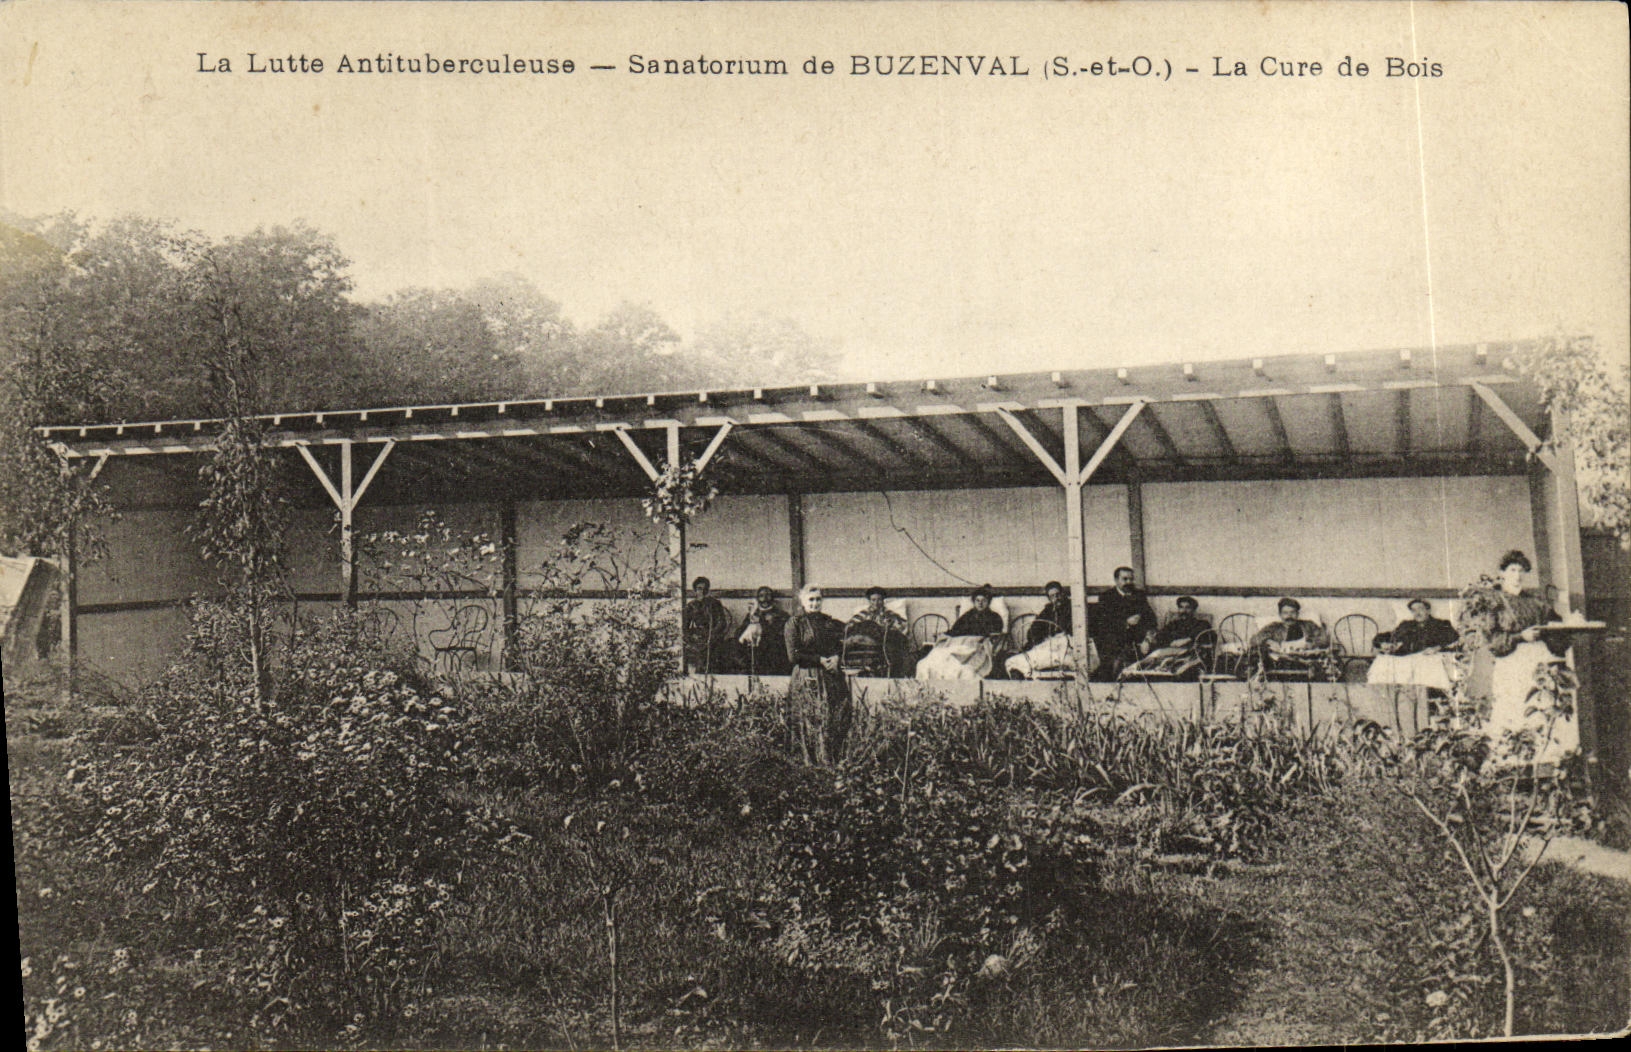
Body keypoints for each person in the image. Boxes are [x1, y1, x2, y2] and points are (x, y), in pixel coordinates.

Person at [1458, 550, 1573, 762]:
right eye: (1512, 570)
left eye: (1521, 571)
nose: (1517, 575)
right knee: (1514, 706)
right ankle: (1512, 762)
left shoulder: (1537, 602)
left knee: (1540, 705)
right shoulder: (1493, 602)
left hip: (1538, 661)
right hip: (1512, 662)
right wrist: (1521, 636)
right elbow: (1493, 640)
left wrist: (1563, 627)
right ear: (1502, 573)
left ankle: (1544, 759)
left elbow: (1557, 627)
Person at [784, 585, 852, 763]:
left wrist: (837, 658)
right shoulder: (795, 623)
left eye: (818, 599)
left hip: (830, 677)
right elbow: (793, 656)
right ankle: (807, 763)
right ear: (803, 602)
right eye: (811, 600)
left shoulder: (829, 622)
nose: (815, 603)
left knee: (830, 718)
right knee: (809, 719)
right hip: (807, 676)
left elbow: (840, 645)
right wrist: (819, 660)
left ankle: (830, 761)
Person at [1089, 566, 1157, 680]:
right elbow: (1103, 624)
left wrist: (1147, 639)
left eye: (1131, 579)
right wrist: (1126, 622)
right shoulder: (1106, 597)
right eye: (1125, 579)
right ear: (1116, 580)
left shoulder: (1139, 595)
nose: (1129, 582)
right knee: (1114, 666)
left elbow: (1151, 620)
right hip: (1113, 643)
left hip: (1138, 643)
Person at [1120, 596, 1211, 680]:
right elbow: (1161, 636)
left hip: (1190, 653)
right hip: (1170, 652)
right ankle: (1133, 670)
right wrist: (1148, 640)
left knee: (1158, 654)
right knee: (1156, 655)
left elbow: (1208, 635)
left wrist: (1188, 639)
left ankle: (1134, 669)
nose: (1184, 610)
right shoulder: (1173, 624)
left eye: (1187, 607)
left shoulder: (1202, 623)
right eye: (1181, 607)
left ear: (1193, 610)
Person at [1248, 598, 1336, 680]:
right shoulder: (1274, 627)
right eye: (1285, 613)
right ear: (1280, 615)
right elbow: (1254, 640)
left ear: (1297, 614)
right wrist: (1268, 641)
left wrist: (1309, 644)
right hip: (1281, 662)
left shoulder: (1308, 625)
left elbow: (1324, 639)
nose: (1289, 616)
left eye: (1292, 612)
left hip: (1305, 659)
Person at [846, 585, 911, 676]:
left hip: (884, 642)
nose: (876, 603)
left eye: (879, 600)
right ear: (869, 601)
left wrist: (889, 626)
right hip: (867, 642)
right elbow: (850, 626)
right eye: (873, 600)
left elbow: (902, 628)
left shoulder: (889, 614)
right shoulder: (863, 614)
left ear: (883, 601)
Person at [682, 576, 734, 674]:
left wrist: (712, 634)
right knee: (699, 655)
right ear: (695, 590)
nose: (702, 591)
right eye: (699, 588)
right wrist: (691, 637)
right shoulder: (691, 606)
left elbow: (722, 622)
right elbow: (685, 626)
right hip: (698, 637)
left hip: (713, 635)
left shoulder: (715, 603)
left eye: (705, 589)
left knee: (716, 655)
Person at [1374, 598, 1460, 656]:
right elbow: (1387, 636)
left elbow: (1454, 637)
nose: (1417, 613)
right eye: (1414, 610)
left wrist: (1437, 648)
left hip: (1431, 662)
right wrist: (1383, 644)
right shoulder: (1406, 625)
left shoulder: (1441, 624)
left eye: (1420, 609)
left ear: (1428, 610)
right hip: (1408, 662)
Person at [736, 585, 790, 675]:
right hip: (754, 649)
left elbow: (784, 633)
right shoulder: (752, 615)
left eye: (768, 595)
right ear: (757, 599)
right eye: (761, 596)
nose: (765, 599)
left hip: (772, 649)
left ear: (772, 598)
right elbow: (740, 632)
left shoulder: (781, 615)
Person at [1027, 580, 1073, 648]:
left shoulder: (1072, 608)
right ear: (1049, 599)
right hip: (1051, 645)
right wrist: (1044, 637)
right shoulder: (1048, 610)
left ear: (1063, 594)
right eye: (1052, 596)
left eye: (1058, 594)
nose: (1056, 598)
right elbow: (1032, 631)